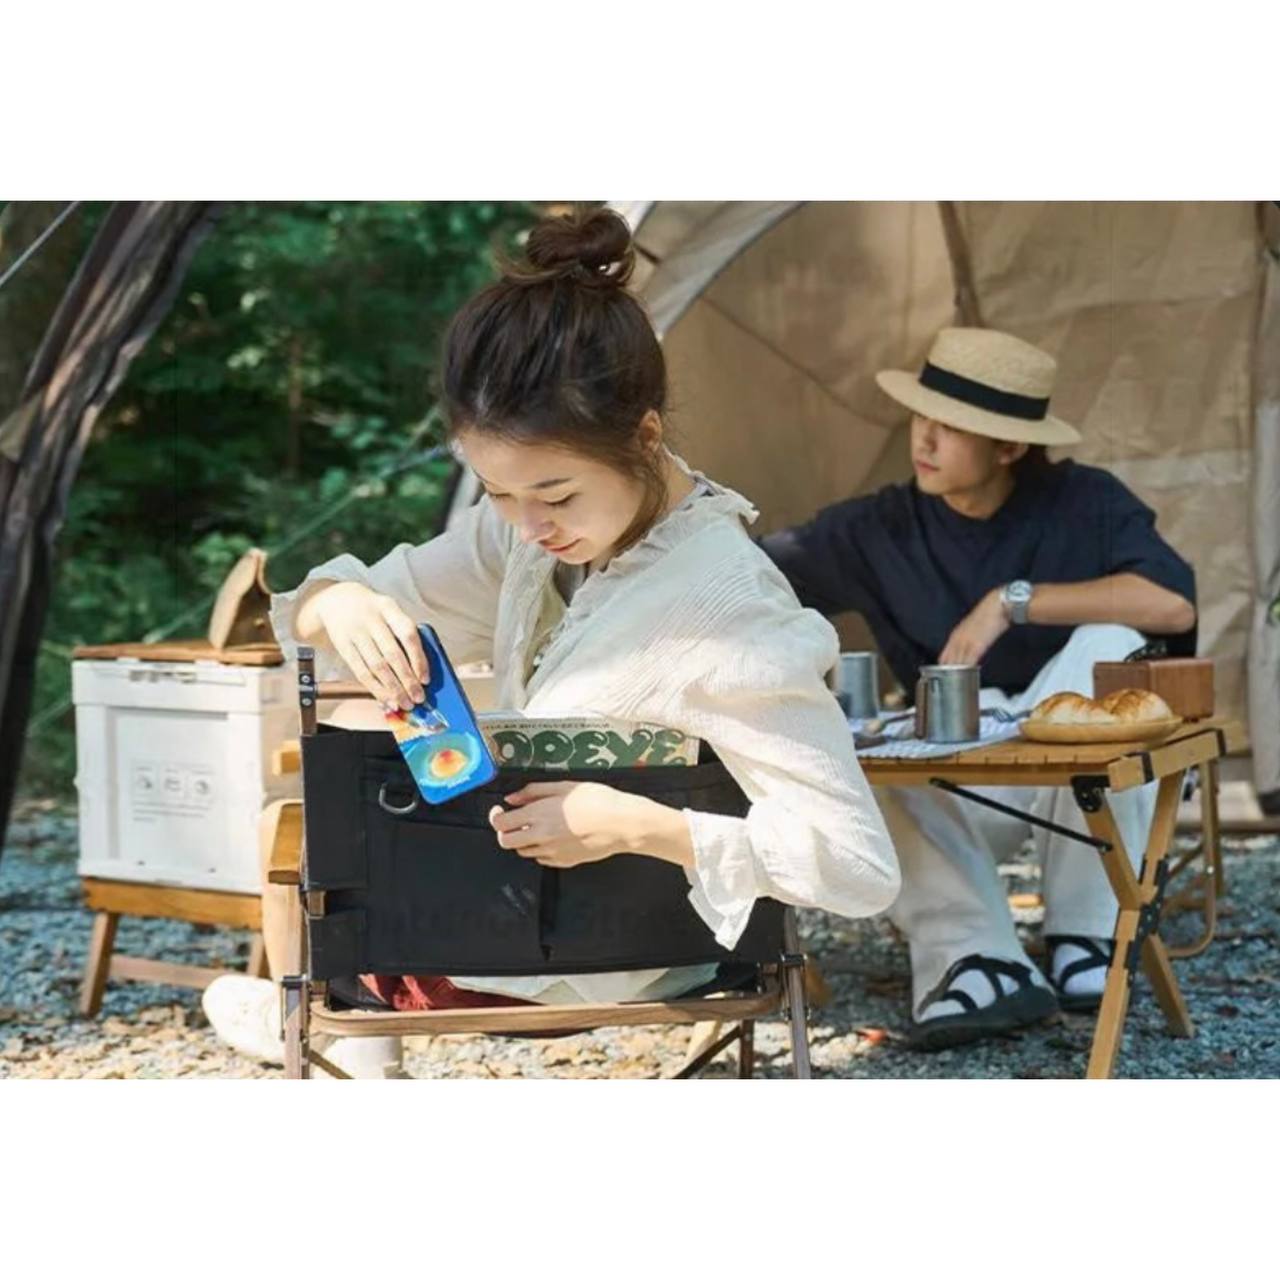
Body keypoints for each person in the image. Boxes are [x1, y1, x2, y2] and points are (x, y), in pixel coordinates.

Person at [202, 206, 899, 1076]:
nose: (529, 524)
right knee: (341, 765)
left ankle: (329, 1038)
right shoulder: (527, 544)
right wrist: (338, 604)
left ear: (646, 436)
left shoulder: (731, 609)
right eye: (496, 493)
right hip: (497, 919)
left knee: (309, 829)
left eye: (556, 495)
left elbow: (858, 866)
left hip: (613, 954)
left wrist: (639, 824)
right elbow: (334, 600)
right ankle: (339, 1043)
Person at [760, 327, 1197, 1050]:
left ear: (1010, 447)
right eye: (921, 416)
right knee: (857, 742)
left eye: (953, 427)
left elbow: (1172, 604)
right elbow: (751, 575)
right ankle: (978, 960)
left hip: (1076, 773)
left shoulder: (1085, 500)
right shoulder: (877, 526)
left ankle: (1087, 934)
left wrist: (1012, 601)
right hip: (957, 781)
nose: (924, 439)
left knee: (1110, 644)